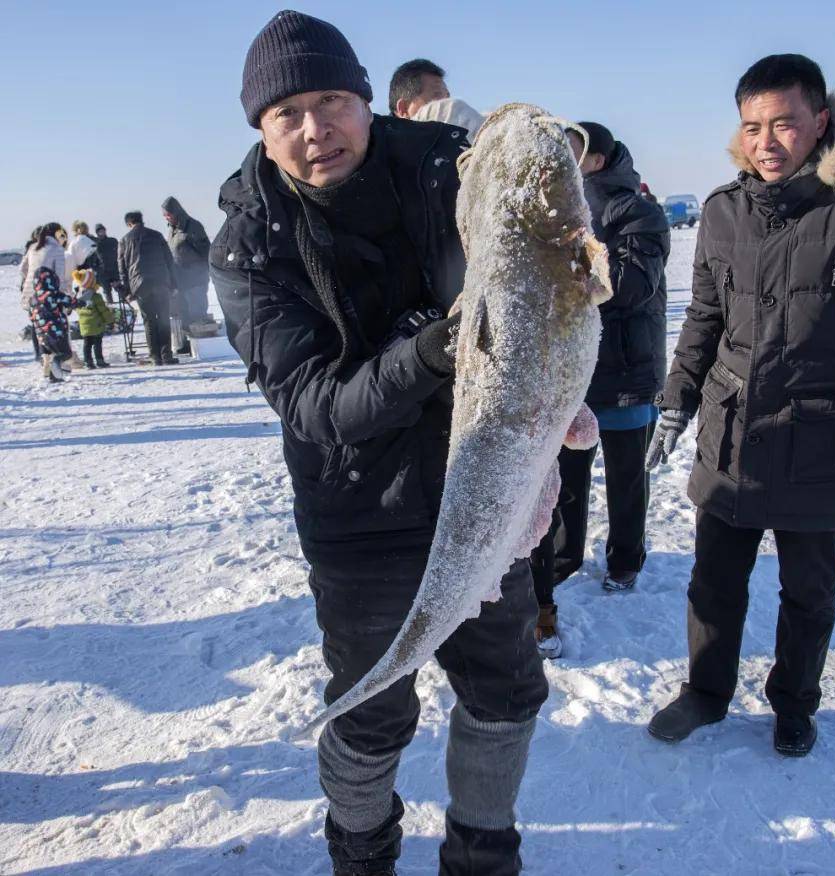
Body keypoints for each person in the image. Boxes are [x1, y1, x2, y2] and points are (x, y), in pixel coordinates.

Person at [210, 12, 546, 875]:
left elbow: (529, 247)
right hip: (359, 511)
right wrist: (434, 349)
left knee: (505, 690)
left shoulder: (440, 171)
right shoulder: (250, 242)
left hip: (481, 484)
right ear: (261, 128)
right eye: (287, 113)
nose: (316, 130)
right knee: (371, 710)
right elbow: (316, 406)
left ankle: (483, 848)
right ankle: (361, 848)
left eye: (332, 101)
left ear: (366, 100)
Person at [645, 54, 835, 757]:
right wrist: (674, 402)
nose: (766, 141)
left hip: (821, 437)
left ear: (821, 123)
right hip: (731, 435)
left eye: (784, 123)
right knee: (712, 584)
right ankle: (705, 692)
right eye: (752, 126)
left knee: (808, 593)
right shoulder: (723, 212)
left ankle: (794, 703)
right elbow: (704, 323)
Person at [528, 121, 670, 658]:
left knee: (627, 476)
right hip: (574, 374)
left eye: (572, 152)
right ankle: (564, 559)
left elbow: (631, 288)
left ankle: (625, 558)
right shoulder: (560, 208)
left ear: (596, 158)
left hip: (628, 371)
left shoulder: (638, 211)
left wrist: (567, 267)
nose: (562, 160)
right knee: (567, 477)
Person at [117, 210, 179, 366]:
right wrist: (173, 284)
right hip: (161, 282)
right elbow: (169, 260)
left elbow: (122, 268)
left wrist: (127, 291)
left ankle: (155, 356)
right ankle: (167, 355)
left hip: (139, 285)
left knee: (149, 320)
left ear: (129, 224)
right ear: (141, 220)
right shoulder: (157, 235)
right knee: (164, 318)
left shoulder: (124, 240)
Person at [25, 223, 77, 383]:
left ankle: (48, 370)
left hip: (32, 296)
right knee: (58, 335)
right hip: (52, 297)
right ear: (56, 233)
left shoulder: (33, 247)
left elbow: (23, 269)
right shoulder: (56, 250)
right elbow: (60, 277)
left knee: (43, 336)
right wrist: (65, 298)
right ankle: (59, 368)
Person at [162, 196, 212, 341]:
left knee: (197, 310)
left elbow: (205, 251)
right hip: (180, 278)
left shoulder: (192, 226)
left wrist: (204, 270)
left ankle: (202, 339)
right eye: (164, 215)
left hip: (195, 278)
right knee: (183, 312)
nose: (166, 218)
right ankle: (187, 342)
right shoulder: (172, 230)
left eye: (168, 214)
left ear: (176, 212)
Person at [73, 268, 113, 369]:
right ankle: (99, 361)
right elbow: (103, 311)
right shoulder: (96, 297)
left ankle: (88, 362)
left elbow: (76, 310)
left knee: (87, 345)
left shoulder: (78, 298)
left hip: (84, 326)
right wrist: (110, 321)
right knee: (97, 344)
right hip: (97, 325)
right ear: (91, 282)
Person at [19, 226, 43, 361]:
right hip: (32, 290)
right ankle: (39, 352)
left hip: (35, 289)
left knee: (40, 321)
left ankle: (42, 352)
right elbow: (23, 270)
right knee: (36, 322)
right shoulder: (32, 249)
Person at [94, 223, 121, 303]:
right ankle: (112, 311)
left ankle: (126, 310)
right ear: (97, 233)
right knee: (107, 294)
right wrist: (98, 271)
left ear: (105, 231)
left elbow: (120, 255)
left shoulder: (113, 241)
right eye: (99, 231)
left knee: (120, 290)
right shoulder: (95, 245)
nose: (101, 232)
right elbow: (93, 262)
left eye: (102, 230)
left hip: (115, 271)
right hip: (103, 274)